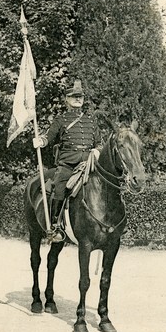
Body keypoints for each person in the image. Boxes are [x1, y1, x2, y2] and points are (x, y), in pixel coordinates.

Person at [32, 79, 102, 242]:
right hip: (68, 164)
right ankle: (56, 226)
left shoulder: (91, 120)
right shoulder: (61, 120)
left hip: (88, 164)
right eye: (74, 97)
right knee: (60, 187)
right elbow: (49, 137)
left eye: (81, 97)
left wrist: (97, 150)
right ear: (67, 99)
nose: (78, 99)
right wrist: (40, 141)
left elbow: (99, 142)